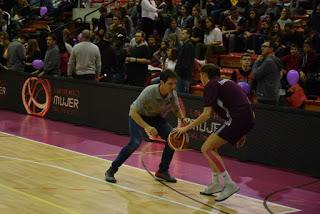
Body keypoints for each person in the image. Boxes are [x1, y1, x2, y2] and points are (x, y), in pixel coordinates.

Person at [175, 64, 255, 202]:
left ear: (205, 75)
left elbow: (206, 114)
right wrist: (242, 131)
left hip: (237, 118)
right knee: (212, 148)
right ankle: (215, 183)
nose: (200, 77)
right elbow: (245, 109)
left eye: (201, 74)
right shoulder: (226, 81)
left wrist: (185, 128)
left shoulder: (211, 85)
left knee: (206, 148)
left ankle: (228, 184)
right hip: (248, 117)